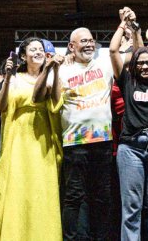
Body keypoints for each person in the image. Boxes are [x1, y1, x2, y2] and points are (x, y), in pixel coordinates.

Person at [0, 37, 63, 240]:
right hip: (18, 140)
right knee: (17, 189)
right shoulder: (16, 78)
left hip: (42, 140)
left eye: (41, 49)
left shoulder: (50, 77)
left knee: (42, 190)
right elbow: (2, 106)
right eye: (33, 49)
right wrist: (6, 77)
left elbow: (56, 102)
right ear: (23, 56)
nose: (38, 52)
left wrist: (54, 70)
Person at [110, 9, 148, 241]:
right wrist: (123, 25)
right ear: (134, 66)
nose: (145, 66)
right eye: (141, 63)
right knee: (132, 208)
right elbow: (113, 50)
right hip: (131, 148)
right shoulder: (127, 80)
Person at [57, 26, 114, 241]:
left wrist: (126, 28)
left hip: (103, 142)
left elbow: (124, 54)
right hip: (75, 143)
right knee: (73, 197)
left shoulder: (104, 65)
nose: (89, 44)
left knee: (102, 196)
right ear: (71, 46)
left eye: (91, 40)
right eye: (83, 41)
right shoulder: (62, 71)